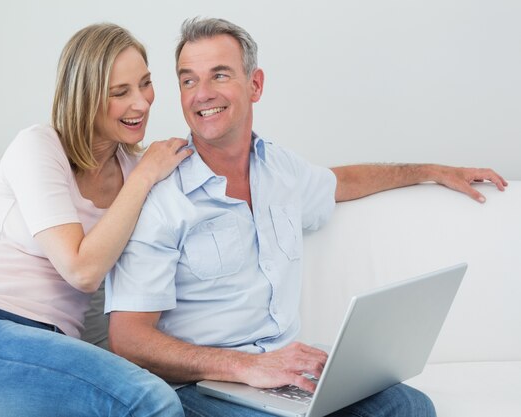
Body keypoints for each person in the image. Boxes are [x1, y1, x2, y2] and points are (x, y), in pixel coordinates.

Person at [105, 17, 508, 417]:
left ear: (255, 84)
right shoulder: (160, 194)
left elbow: (343, 182)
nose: (201, 94)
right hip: (204, 389)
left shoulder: (281, 170)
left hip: (286, 377)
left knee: (410, 407)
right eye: (188, 80)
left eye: (220, 76)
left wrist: (431, 171)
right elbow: (128, 338)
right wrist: (247, 367)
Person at [0, 23, 192, 417]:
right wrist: (146, 174)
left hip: (54, 348)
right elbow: (81, 270)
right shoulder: (39, 147)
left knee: (181, 398)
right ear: (85, 98)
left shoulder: (137, 171)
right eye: (120, 93)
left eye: (145, 84)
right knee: (152, 401)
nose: (143, 103)